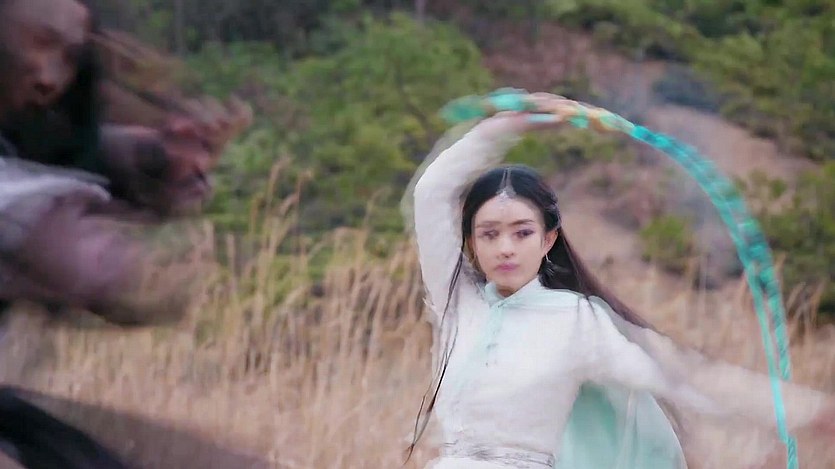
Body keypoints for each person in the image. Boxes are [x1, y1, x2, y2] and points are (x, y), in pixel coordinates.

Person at [404, 91, 835, 468]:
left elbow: (683, 378)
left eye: (522, 233)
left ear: (548, 239)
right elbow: (430, 192)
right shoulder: (458, 304)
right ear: (471, 242)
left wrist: (803, 411)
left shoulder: (578, 321)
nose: (505, 248)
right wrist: (505, 126)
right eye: (489, 234)